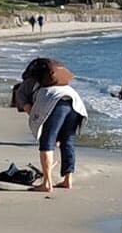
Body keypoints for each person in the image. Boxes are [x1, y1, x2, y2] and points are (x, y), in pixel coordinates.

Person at [24, 57, 86, 193]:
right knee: (68, 141)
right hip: (74, 101)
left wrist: (40, 123)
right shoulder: (61, 81)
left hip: (54, 101)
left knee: (47, 142)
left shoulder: (26, 86)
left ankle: (47, 184)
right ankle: (67, 180)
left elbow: (31, 110)